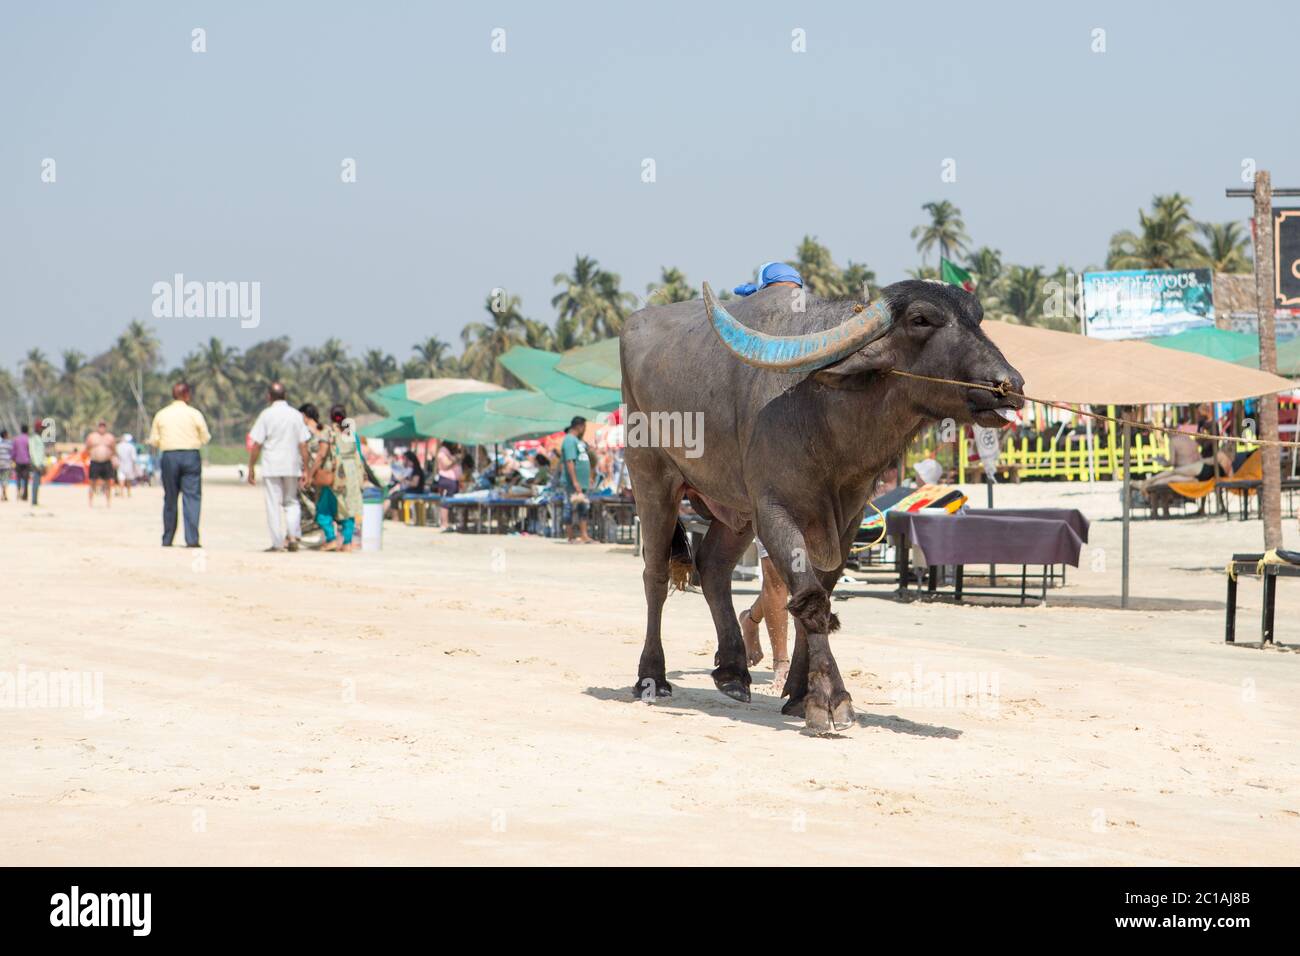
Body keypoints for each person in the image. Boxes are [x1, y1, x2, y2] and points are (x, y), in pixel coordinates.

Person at [732, 262, 803, 688]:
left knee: (806, 574)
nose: (786, 297)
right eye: (777, 290)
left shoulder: (811, 330)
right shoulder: (746, 344)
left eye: (791, 290)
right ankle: (782, 662)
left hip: (814, 469)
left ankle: (750, 618)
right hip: (769, 472)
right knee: (777, 573)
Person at [247, 382, 310, 553]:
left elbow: (257, 444)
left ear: (269, 396)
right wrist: (306, 469)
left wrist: (251, 466)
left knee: (273, 504)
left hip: (272, 465)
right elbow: (303, 444)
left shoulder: (266, 415)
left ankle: (277, 543)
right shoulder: (296, 415)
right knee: (292, 501)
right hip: (292, 464)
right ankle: (292, 535)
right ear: (286, 395)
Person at [148, 382, 211, 547]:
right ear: (187, 395)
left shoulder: (162, 414)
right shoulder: (194, 414)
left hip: (169, 456)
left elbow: (154, 440)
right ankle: (192, 539)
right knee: (192, 498)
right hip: (190, 455)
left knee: (170, 498)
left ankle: (167, 538)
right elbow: (205, 437)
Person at [309, 404, 364, 552]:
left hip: (335, 476)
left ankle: (331, 539)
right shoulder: (351, 433)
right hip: (351, 476)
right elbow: (359, 456)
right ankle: (347, 543)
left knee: (323, 509)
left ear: (332, 417)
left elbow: (321, 454)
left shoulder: (329, 432)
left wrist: (310, 474)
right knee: (348, 509)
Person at [560, 416, 594, 543]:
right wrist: (575, 481)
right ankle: (570, 536)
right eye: (584, 427)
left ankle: (584, 535)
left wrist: (588, 477)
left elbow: (584, 459)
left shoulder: (578, 441)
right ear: (579, 426)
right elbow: (569, 461)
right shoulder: (569, 440)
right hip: (572, 483)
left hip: (582, 482)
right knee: (569, 507)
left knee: (583, 508)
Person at [83, 420, 117, 508]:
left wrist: (114, 460)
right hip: (95, 462)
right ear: (97, 427)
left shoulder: (110, 437)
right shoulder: (92, 437)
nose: (102, 428)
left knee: (108, 483)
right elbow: (86, 448)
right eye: (100, 426)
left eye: (103, 426)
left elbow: (114, 450)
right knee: (92, 483)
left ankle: (108, 503)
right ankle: (90, 503)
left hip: (106, 462)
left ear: (106, 427)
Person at [434, 441, 462, 530]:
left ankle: (450, 523)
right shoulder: (443, 450)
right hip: (447, 480)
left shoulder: (449, 451)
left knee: (452, 502)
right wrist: (455, 459)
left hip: (453, 480)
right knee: (445, 502)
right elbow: (446, 465)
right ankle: (444, 524)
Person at [25, 419, 47, 507]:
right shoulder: (33, 438)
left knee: (37, 483)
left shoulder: (40, 438)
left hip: (40, 464)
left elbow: (41, 453)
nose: (43, 430)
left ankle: (35, 501)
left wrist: (43, 465)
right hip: (36, 464)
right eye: (41, 428)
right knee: (35, 482)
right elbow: (32, 452)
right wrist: (37, 465)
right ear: (37, 428)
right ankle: (34, 502)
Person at [12, 424, 31, 501]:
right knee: (26, 479)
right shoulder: (29, 439)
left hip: (18, 461)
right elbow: (30, 451)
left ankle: (18, 493)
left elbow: (14, 451)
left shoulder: (16, 439)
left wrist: (13, 459)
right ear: (27, 430)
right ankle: (25, 495)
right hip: (26, 461)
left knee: (18, 478)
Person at [0, 429, 12, 502]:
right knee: (6, 480)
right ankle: (5, 494)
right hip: (6, 464)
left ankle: (3, 494)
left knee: (1, 480)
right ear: (5, 435)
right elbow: (12, 453)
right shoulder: (9, 444)